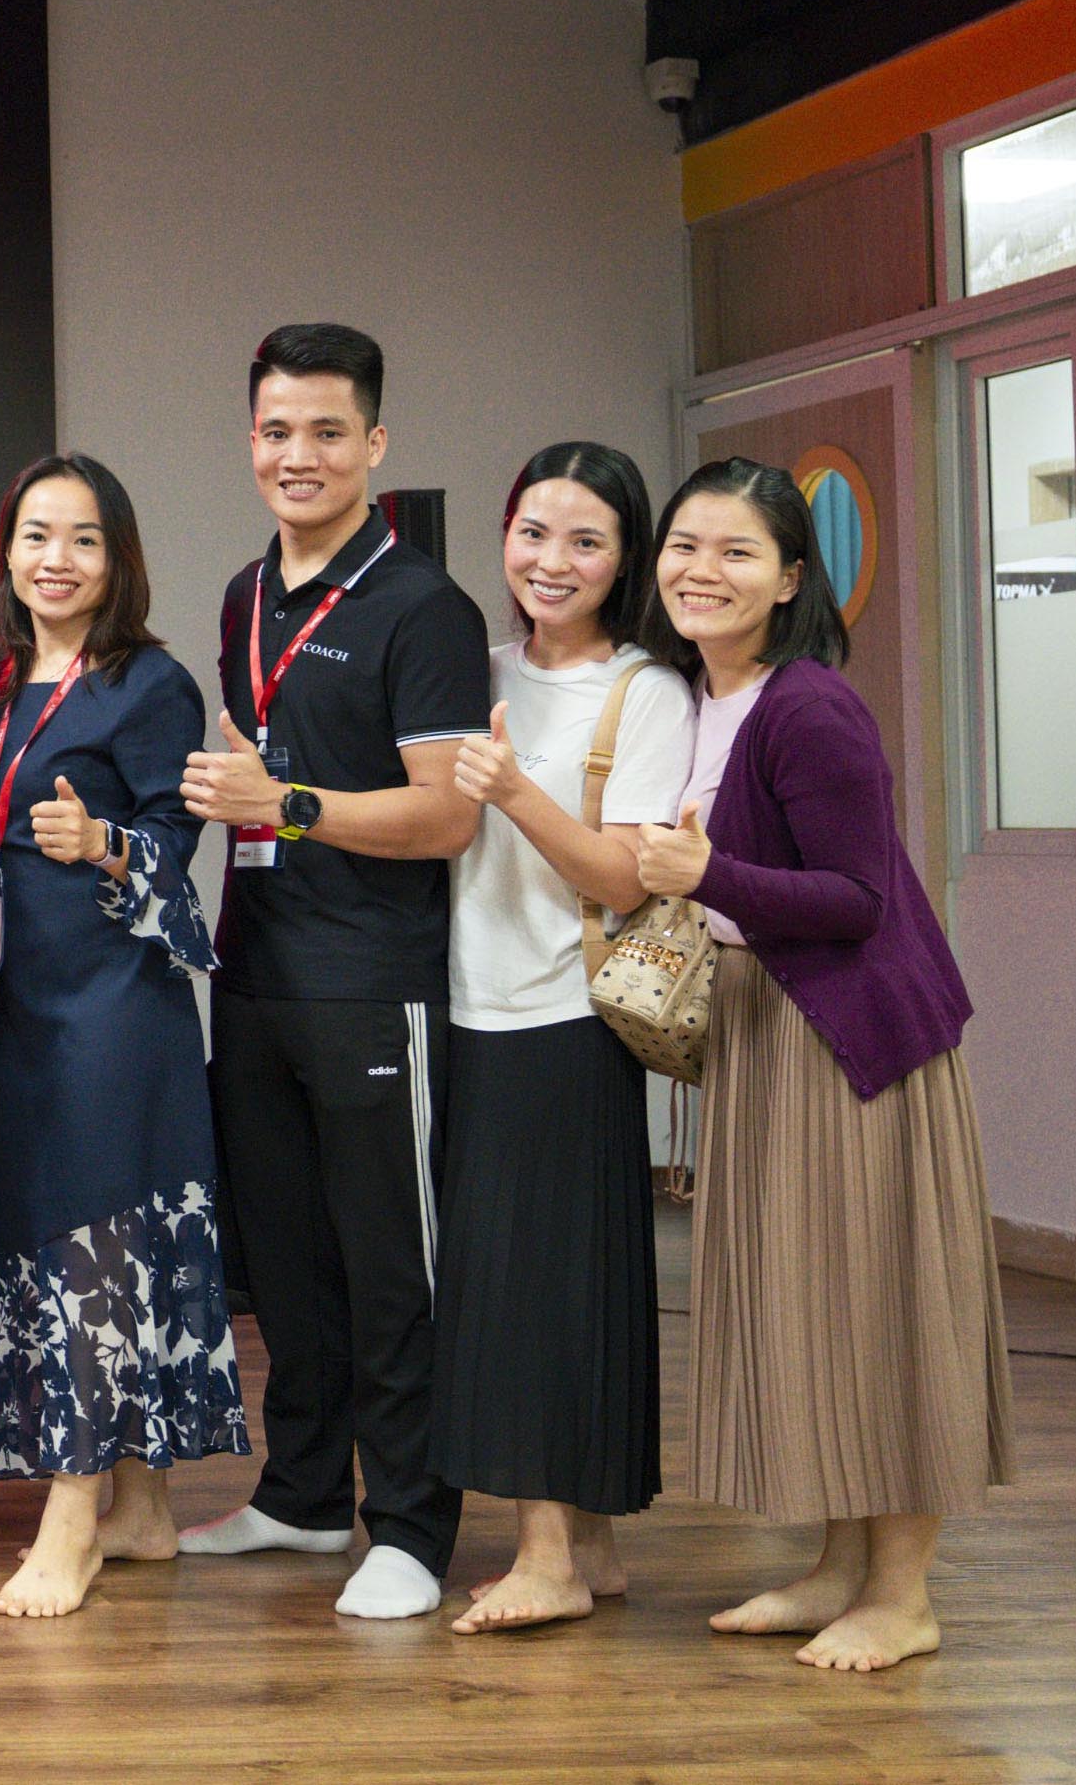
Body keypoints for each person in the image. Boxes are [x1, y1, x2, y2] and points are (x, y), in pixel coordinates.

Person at [644, 458, 1010, 1673]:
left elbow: (856, 899)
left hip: (854, 1043)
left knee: (881, 1311)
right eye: (685, 544)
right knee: (823, 1310)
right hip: (772, 1026)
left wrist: (706, 875)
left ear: (791, 577)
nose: (702, 569)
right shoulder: (698, 695)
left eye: (736, 550)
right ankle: (840, 1568)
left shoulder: (808, 708)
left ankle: (902, 1594)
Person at [177, 322, 486, 1622]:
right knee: (289, 1266)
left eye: (324, 430)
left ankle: (408, 1524)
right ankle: (303, 1494)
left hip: (374, 982)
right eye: (274, 430)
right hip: (255, 973)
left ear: (374, 443)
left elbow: (446, 816)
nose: (294, 454)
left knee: (388, 1268)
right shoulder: (246, 594)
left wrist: (287, 806)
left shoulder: (424, 607)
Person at [0, 455, 251, 1620]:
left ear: (116, 557)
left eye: (83, 538)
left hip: (114, 1010)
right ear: (8, 551)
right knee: (67, 1237)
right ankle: (141, 1504)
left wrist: (103, 843)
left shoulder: (150, 682)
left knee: (97, 1244)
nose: (56, 558)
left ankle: (72, 1519)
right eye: (36, 534)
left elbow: (175, 845)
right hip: (27, 1008)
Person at [434, 443, 690, 1635]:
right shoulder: (478, 670)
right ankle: (588, 1544)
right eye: (532, 532)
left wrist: (512, 791)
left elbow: (626, 876)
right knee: (541, 1282)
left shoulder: (646, 690)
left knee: (540, 1290)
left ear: (623, 557)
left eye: (585, 540)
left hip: (566, 1018)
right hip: (470, 1008)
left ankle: (545, 1555)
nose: (552, 560)